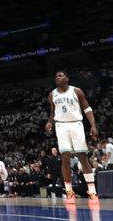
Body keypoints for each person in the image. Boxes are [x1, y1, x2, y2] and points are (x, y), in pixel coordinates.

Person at [45, 71, 99, 202]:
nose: (57, 77)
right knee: (65, 156)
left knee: (82, 156)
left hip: (76, 124)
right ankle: (69, 190)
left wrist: (93, 125)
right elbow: (53, 112)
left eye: (60, 75)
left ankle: (92, 190)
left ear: (67, 78)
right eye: (56, 76)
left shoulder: (77, 91)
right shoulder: (52, 94)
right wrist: (49, 122)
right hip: (61, 126)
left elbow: (87, 108)